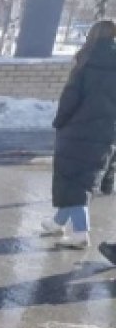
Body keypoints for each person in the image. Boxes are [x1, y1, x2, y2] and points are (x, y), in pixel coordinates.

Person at [41, 19, 116, 249]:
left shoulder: (86, 60)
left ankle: (80, 233)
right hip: (107, 132)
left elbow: (70, 97)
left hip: (78, 130)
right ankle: (58, 222)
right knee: (81, 179)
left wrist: (60, 122)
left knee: (73, 181)